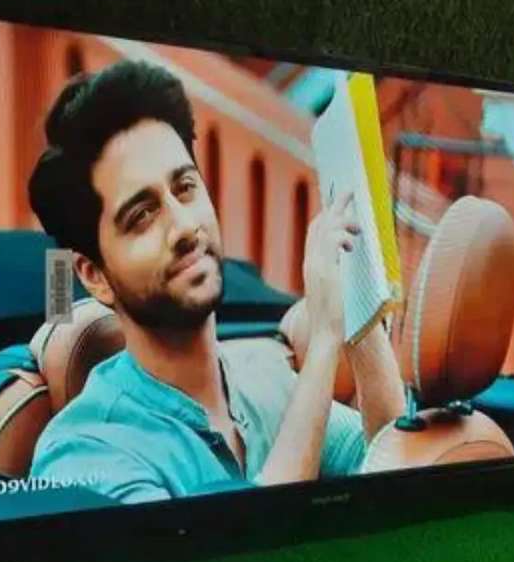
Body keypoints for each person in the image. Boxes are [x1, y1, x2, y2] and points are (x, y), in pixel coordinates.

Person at [27, 60, 406, 503]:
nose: (185, 226)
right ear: (95, 277)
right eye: (142, 215)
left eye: (185, 187)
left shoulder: (268, 380)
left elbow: (386, 462)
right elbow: (249, 546)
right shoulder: (84, 453)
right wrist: (323, 339)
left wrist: (355, 281)